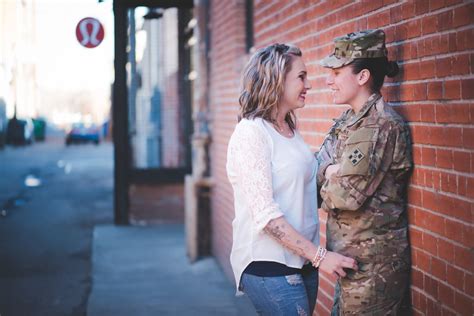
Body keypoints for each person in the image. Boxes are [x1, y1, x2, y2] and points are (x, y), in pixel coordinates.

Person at [226, 43, 357, 316]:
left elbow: (302, 187)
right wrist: (321, 256)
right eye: (301, 76)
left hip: (303, 261)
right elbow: (265, 216)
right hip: (269, 265)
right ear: (276, 79)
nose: (309, 84)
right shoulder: (251, 133)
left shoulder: (288, 128)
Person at [316, 29, 413, 315]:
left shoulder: (380, 126)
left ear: (362, 76)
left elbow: (344, 196)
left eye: (336, 71)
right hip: (350, 263)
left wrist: (329, 174)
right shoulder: (348, 121)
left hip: (374, 272)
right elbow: (314, 169)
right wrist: (331, 170)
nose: (328, 80)